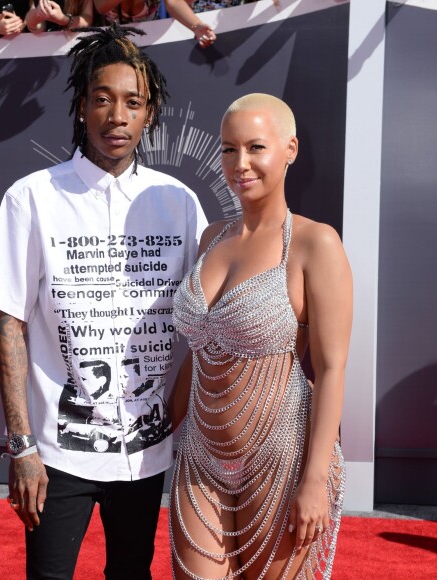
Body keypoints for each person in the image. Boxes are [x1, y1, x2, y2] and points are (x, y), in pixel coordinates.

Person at [0, 23, 208, 580]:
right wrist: (22, 448)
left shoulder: (179, 203)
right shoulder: (32, 197)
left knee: (131, 573)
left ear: (149, 113)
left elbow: (202, 324)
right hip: (56, 452)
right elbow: (9, 326)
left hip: (147, 452)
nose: (116, 116)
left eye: (132, 103)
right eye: (102, 99)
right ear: (81, 107)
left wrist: (173, 412)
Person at [169, 93, 352, 579]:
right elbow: (203, 343)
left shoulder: (316, 243)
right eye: (229, 150)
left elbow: (332, 369)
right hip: (201, 456)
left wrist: (313, 481)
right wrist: (168, 415)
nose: (240, 164)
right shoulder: (211, 238)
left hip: (283, 458)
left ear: (289, 149)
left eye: (255, 148)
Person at [94, 0, 216, 48]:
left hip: (152, 43)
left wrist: (196, 26)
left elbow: (173, 2)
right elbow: (100, 6)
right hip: (113, 44)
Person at [25, 0, 93, 33]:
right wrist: (39, 13)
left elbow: (87, 19)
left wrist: (63, 20)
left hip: (76, 47)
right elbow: (34, 26)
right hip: (45, 50)